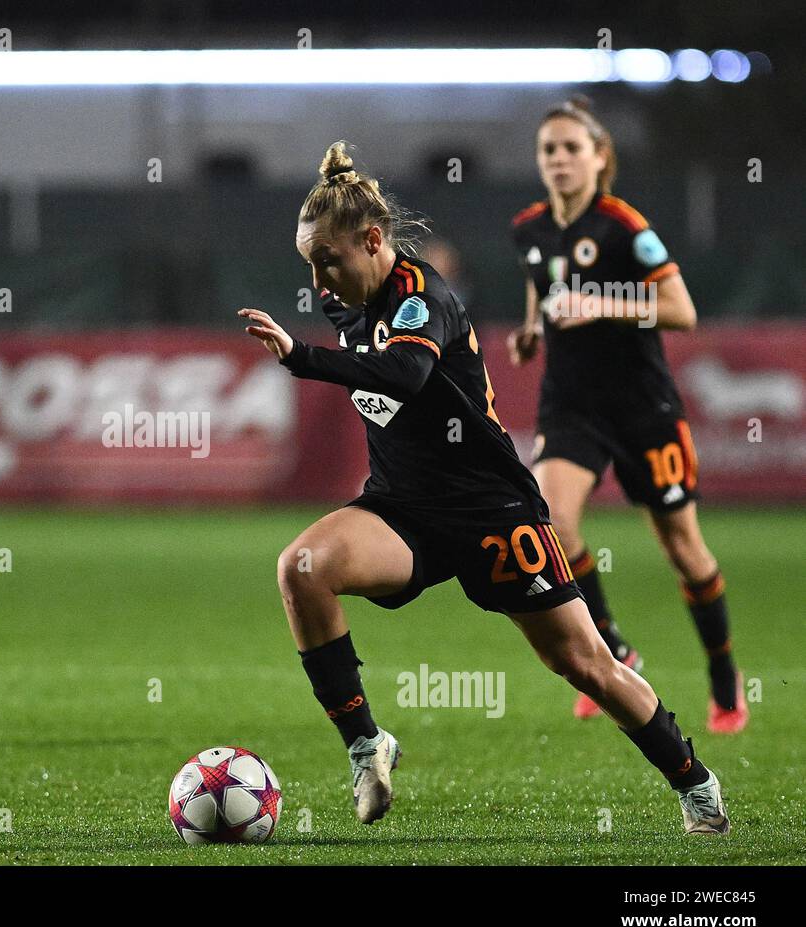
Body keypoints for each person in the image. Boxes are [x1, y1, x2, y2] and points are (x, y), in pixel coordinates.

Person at [237, 141, 729, 834]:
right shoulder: (341, 295)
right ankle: (365, 744)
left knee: (587, 664)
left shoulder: (421, 295)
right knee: (302, 567)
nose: (319, 277)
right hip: (403, 509)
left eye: (328, 259)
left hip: (493, 512)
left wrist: (302, 358)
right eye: (310, 263)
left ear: (374, 240)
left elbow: (406, 376)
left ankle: (696, 785)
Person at [507, 97, 746, 733]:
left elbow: (682, 310)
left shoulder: (624, 227)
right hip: (572, 405)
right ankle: (612, 648)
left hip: (643, 407)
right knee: (552, 525)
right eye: (548, 150)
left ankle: (724, 676)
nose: (558, 159)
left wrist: (602, 305)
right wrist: (532, 330)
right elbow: (542, 284)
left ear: (599, 157)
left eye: (571, 149)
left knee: (683, 548)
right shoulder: (529, 228)